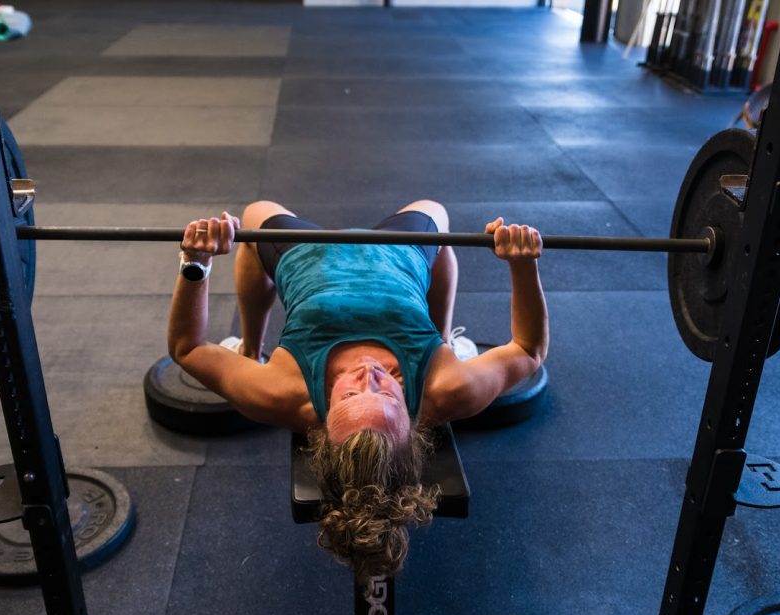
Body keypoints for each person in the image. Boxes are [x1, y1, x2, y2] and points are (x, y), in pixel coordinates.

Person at [168, 200, 548, 581]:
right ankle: (445, 337)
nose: (369, 375)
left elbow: (188, 347)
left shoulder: (284, 390)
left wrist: (196, 261)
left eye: (349, 395)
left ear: (321, 424)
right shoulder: (444, 386)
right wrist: (522, 264)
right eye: (387, 395)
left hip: (308, 255)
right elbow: (528, 351)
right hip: (399, 253)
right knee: (438, 226)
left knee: (254, 218)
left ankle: (251, 352)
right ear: (414, 422)